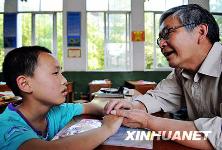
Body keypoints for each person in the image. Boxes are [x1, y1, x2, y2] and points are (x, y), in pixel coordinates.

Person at [105, 4, 221, 150]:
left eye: (167, 33)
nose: (161, 44)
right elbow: (159, 96)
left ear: (201, 31)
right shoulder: (181, 71)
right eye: (159, 39)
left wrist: (148, 121)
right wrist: (133, 106)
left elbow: (219, 134)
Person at [0, 46, 123, 150]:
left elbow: (91, 106)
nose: (64, 80)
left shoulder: (56, 111)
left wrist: (113, 109)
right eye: (55, 73)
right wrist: (107, 128)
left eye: (61, 73)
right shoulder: (6, 126)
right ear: (25, 84)